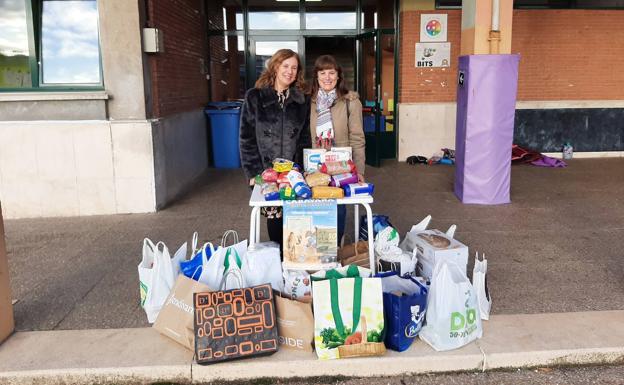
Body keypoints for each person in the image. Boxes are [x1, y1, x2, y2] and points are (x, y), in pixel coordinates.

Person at [239, 49, 311, 246]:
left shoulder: (301, 100)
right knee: (275, 218)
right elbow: (246, 138)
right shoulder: (255, 97)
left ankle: (294, 263)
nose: (290, 71)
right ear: (275, 67)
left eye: (294, 68)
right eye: (285, 66)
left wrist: (305, 170)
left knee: (296, 220)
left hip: (294, 173)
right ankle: (279, 262)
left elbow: (305, 138)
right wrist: (253, 173)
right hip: (266, 172)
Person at [308, 54, 365, 245]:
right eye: (322, 73)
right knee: (316, 210)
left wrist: (359, 171)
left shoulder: (351, 102)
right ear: (316, 76)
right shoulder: (309, 102)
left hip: (341, 167)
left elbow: (357, 139)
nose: (327, 77)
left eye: (331, 72)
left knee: (338, 209)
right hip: (315, 166)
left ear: (339, 76)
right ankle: (319, 253)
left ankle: (334, 251)